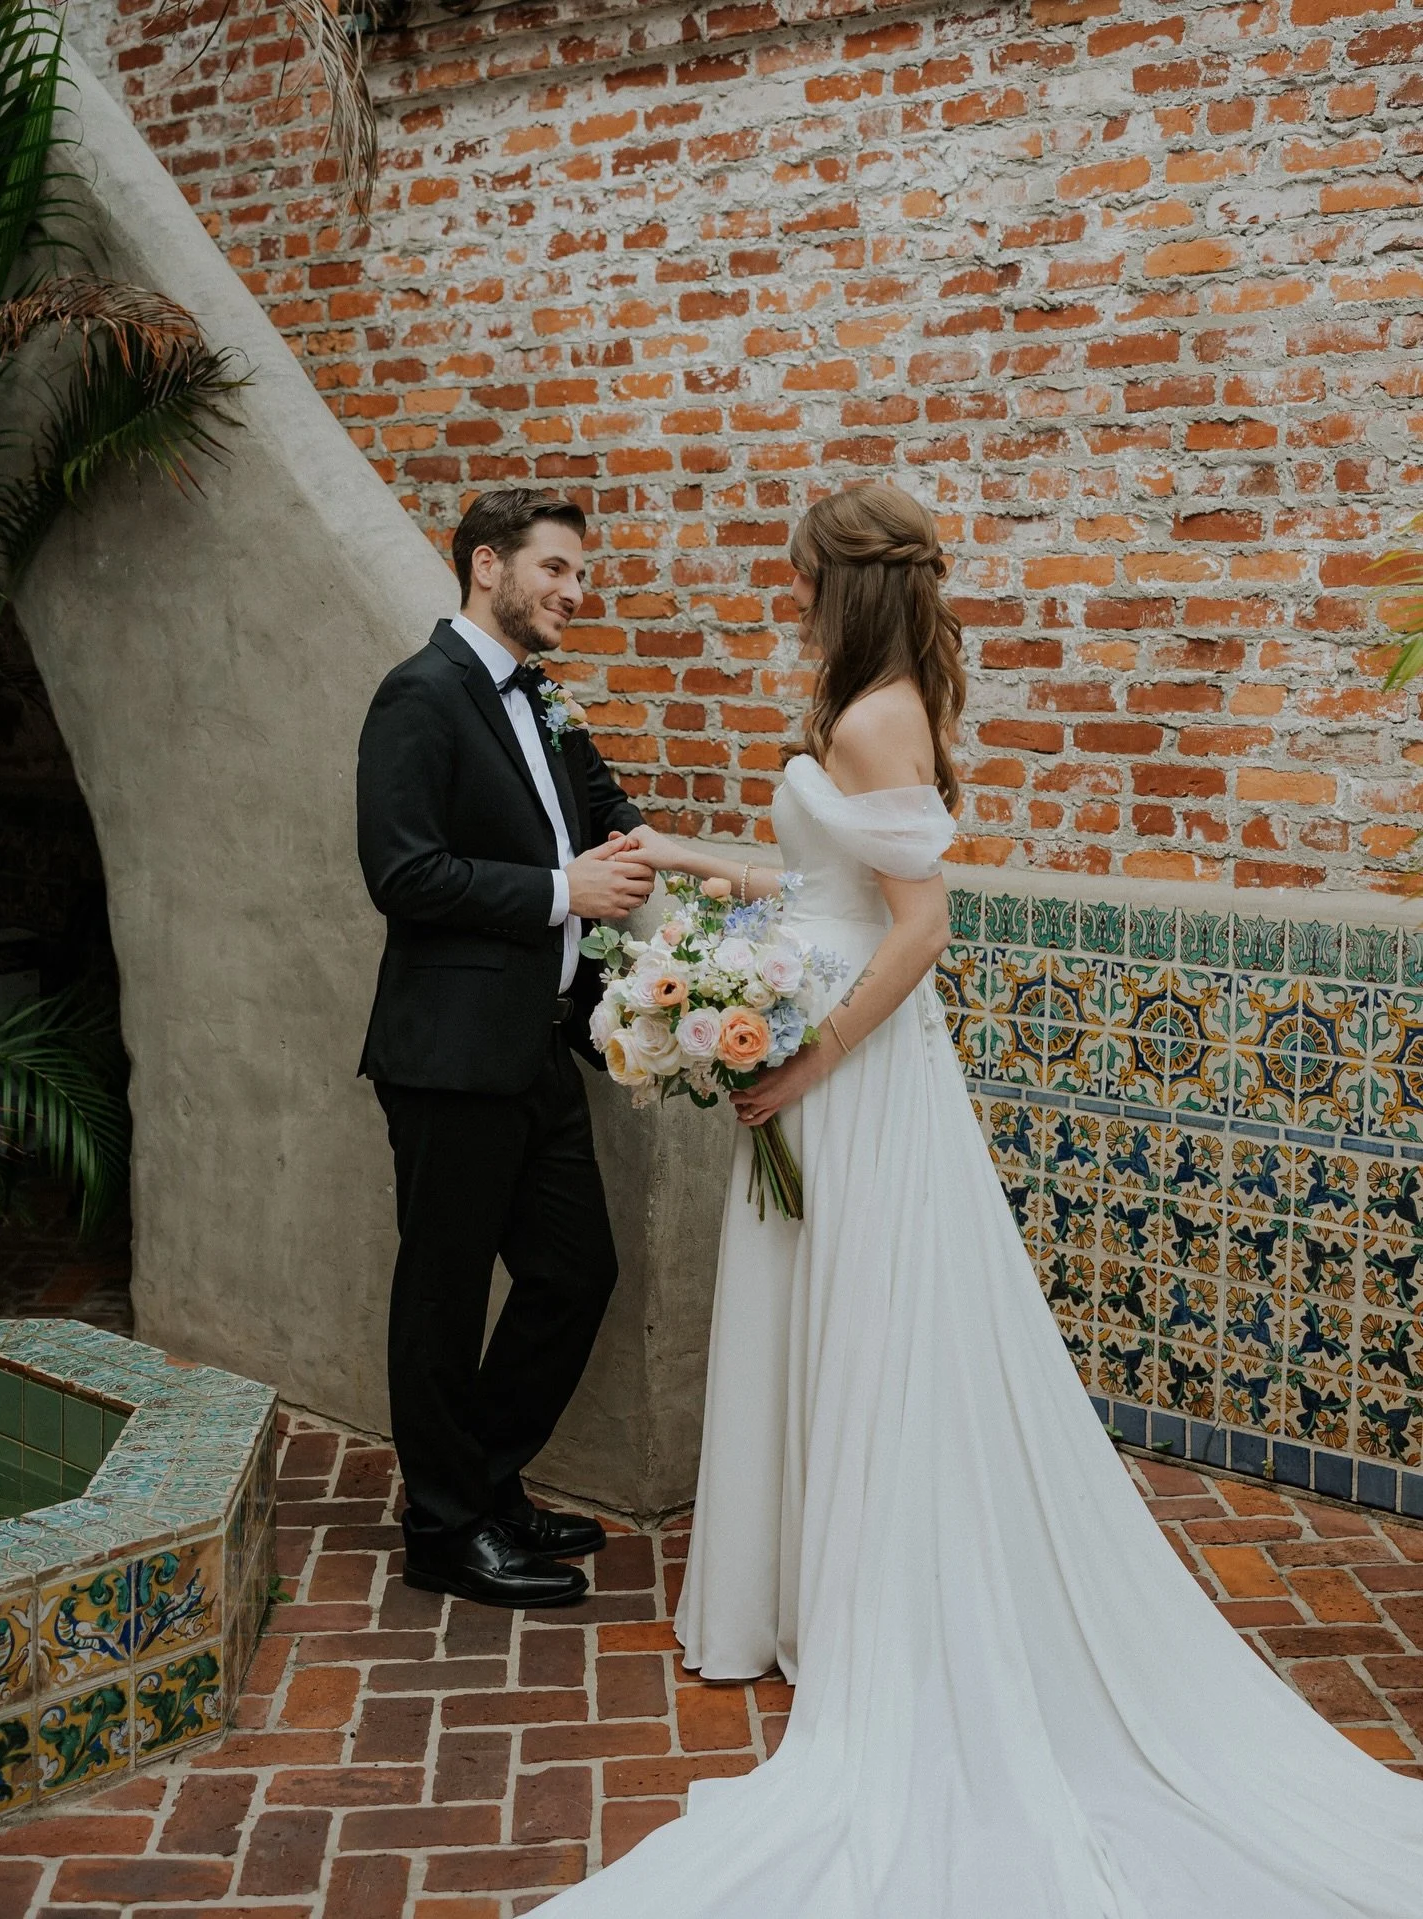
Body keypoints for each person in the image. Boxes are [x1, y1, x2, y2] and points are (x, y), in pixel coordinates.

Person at [541, 482, 1423, 1912]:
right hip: (816, 1069)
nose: (786, 591)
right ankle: (801, 1594)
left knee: (874, 1326)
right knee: (815, 1310)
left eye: (797, 574)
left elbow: (921, 929)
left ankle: (875, 1606)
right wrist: (694, 873)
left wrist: (808, 1061)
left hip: (858, 1084)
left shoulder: (877, 711)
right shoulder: (865, 703)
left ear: (842, 582)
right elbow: (822, 884)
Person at [356, 488, 652, 1609]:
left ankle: (479, 1485)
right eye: (558, 569)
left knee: (577, 1271)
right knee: (440, 1296)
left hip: (540, 1046)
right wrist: (556, 890)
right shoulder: (418, 696)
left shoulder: (544, 699)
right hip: (447, 1054)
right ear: (489, 564)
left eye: (580, 573)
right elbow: (402, 872)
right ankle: (443, 1531)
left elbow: (613, 822)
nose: (577, 592)